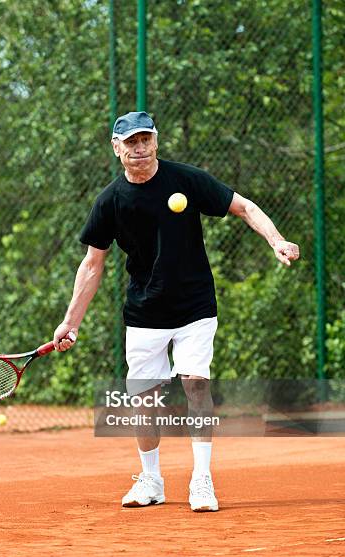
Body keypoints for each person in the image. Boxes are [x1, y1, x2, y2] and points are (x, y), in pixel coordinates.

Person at [53, 111, 300, 512]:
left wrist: (276, 240)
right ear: (116, 148)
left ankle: (201, 480)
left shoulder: (186, 179)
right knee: (143, 401)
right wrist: (70, 322)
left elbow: (245, 207)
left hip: (195, 306)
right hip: (145, 312)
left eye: (145, 139)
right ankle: (151, 480)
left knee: (195, 384)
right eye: (130, 142)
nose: (139, 148)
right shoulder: (110, 201)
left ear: (156, 140)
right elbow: (92, 265)